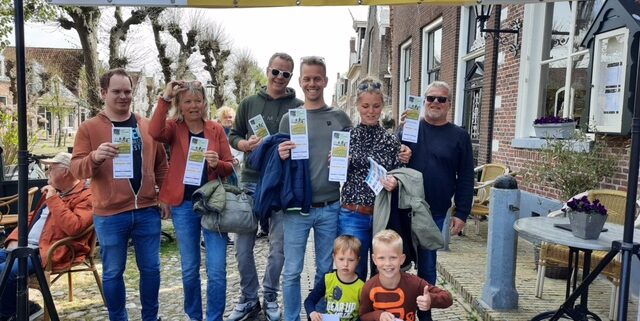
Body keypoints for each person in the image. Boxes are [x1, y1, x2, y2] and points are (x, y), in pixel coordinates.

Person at [70, 68, 168, 321]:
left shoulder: (146, 125)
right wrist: (94, 157)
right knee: (113, 272)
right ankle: (118, 318)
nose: (123, 96)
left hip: (147, 210)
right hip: (110, 213)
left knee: (151, 270)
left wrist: (164, 195)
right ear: (104, 93)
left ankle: (151, 317)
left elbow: (160, 164)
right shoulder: (89, 128)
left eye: (127, 91)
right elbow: (76, 169)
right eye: (116, 91)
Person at [227, 52, 303, 321]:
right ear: (267, 70)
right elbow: (233, 134)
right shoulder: (248, 103)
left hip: (282, 183)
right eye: (276, 72)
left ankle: (270, 295)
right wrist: (243, 145)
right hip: (251, 179)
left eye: (286, 74)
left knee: (279, 246)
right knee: (242, 245)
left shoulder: (299, 106)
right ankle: (249, 297)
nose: (280, 78)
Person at [149, 80, 234, 321]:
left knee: (217, 269)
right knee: (189, 269)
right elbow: (153, 132)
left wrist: (218, 163)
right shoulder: (173, 128)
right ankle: (194, 316)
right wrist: (165, 97)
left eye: (198, 100)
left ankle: (215, 317)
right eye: (188, 101)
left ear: (205, 103)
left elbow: (230, 166)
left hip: (212, 204)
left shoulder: (216, 129)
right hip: (184, 205)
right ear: (180, 105)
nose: (194, 105)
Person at [277, 55, 353, 321]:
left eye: (317, 78)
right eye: (307, 79)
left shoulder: (341, 117)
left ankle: (319, 316)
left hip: (330, 206)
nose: (312, 84)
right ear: (299, 82)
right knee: (292, 271)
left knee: (324, 270)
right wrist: (280, 154)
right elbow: (279, 167)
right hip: (296, 209)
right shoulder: (289, 119)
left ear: (326, 81)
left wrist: (346, 156)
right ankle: (291, 318)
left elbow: (354, 153)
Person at [401, 80, 474, 321]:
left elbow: (465, 176)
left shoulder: (459, 136)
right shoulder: (409, 129)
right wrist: (399, 143)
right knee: (395, 263)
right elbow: (390, 161)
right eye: (430, 98)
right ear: (423, 102)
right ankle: (396, 311)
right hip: (403, 207)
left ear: (449, 104)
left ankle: (424, 315)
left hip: (434, 212)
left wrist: (462, 212)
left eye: (441, 99)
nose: (435, 103)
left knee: (428, 267)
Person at [0, 152, 93, 321]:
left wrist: (53, 200)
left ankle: (10, 313)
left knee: (4, 272)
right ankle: (26, 308)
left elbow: (75, 227)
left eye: (51, 168)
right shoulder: (55, 192)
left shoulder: (86, 196)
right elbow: (29, 219)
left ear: (66, 171)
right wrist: (14, 239)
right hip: (24, 247)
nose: (47, 171)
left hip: (48, 251)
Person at [339, 76, 404, 280]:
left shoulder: (391, 140)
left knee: (382, 274)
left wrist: (395, 183)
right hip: (352, 214)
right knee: (352, 272)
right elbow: (336, 174)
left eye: (376, 106)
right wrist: (335, 163)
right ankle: (354, 313)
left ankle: (376, 312)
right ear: (357, 105)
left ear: (382, 106)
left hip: (382, 215)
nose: (371, 111)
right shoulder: (346, 137)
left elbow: (399, 173)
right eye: (366, 105)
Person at [359, 230, 453, 321]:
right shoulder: (368, 287)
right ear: (374, 259)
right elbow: (363, 315)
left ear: (402, 259)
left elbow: (448, 298)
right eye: (381, 258)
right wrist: (378, 315)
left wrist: (431, 300)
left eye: (393, 258)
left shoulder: (414, 284)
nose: (387, 263)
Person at [304, 235, 364, 321]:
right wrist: (312, 313)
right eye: (341, 259)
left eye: (351, 260)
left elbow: (364, 313)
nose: (345, 264)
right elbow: (309, 300)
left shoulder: (361, 285)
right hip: (331, 319)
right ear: (334, 258)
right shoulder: (328, 278)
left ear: (358, 260)